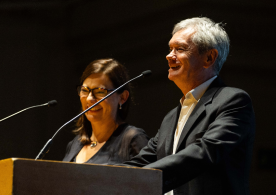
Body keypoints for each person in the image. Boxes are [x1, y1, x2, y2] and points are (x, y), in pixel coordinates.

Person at [124, 17, 256, 195]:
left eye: (179, 49)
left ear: (209, 58)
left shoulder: (233, 101)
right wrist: (97, 175)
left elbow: (204, 153)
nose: (169, 56)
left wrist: (138, 178)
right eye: (170, 49)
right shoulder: (171, 117)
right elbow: (142, 161)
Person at [63, 58, 149, 164]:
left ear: (122, 97)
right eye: (85, 90)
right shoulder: (75, 144)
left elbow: (150, 179)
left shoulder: (132, 140)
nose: (90, 98)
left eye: (100, 91)